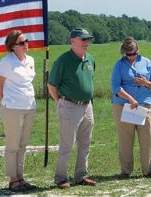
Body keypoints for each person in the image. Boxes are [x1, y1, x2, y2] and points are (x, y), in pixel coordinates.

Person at [47, 28, 97, 189]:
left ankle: (81, 176)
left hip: (87, 106)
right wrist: (60, 102)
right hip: (69, 105)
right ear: (72, 41)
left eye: (87, 39)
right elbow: (51, 85)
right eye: (82, 39)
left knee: (85, 144)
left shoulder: (90, 59)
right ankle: (61, 178)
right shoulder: (62, 61)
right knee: (67, 144)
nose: (86, 42)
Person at [0, 30, 37, 191]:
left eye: (26, 41)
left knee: (23, 145)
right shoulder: (6, 62)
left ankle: (21, 177)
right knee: (13, 145)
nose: (26, 44)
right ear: (12, 46)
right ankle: (13, 180)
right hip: (12, 108)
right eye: (21, 43)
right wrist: (5, 102)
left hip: (29, 107)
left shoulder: (30, 60)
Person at [111, 37, 151, 178]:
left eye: (133, 53)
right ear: (123, 53)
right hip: (124, 105)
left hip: (144, 105)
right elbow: (115, 87)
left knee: (147, 138)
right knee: (125, 139)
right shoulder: (119, 65)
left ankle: (148, 170)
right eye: (128, 54)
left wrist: (146, 83)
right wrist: (130, 99)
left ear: (137, 50)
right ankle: (126, 171)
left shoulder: (146, 62)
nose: (131, 56)